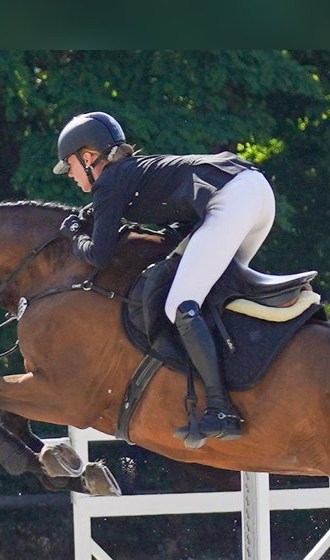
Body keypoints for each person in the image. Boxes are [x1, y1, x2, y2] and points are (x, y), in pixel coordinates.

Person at [53, 111, 277, 447]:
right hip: (254, 192)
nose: (69, 174)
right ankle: (244, 380)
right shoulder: (128, 175)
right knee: (211, 297)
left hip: (233, 197)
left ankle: (220, 408)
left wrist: (72, 234)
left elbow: (98, 255)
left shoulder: (110, 181)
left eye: (69, 165)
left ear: (88, 158)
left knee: (180, 305)